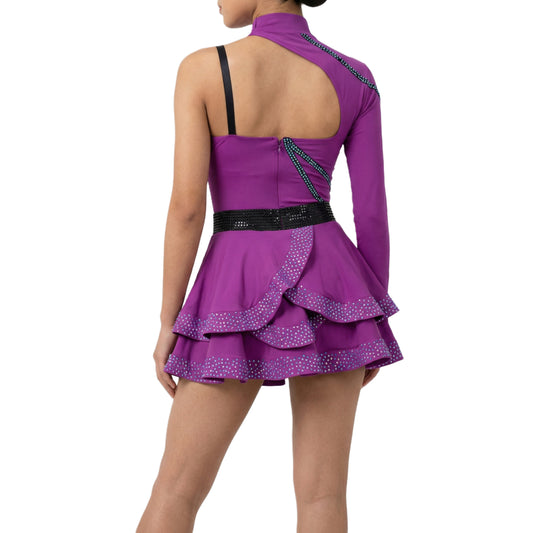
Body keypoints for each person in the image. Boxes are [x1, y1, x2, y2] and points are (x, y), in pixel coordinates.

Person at [137, 1, 403, 531]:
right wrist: (370, 321)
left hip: (234, 285)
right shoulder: (355, 77)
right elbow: (371, 212)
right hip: (337, 290)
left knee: (176, 492)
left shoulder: (203, 69)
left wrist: (168, 321)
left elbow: (187, 208)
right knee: (323, 499)